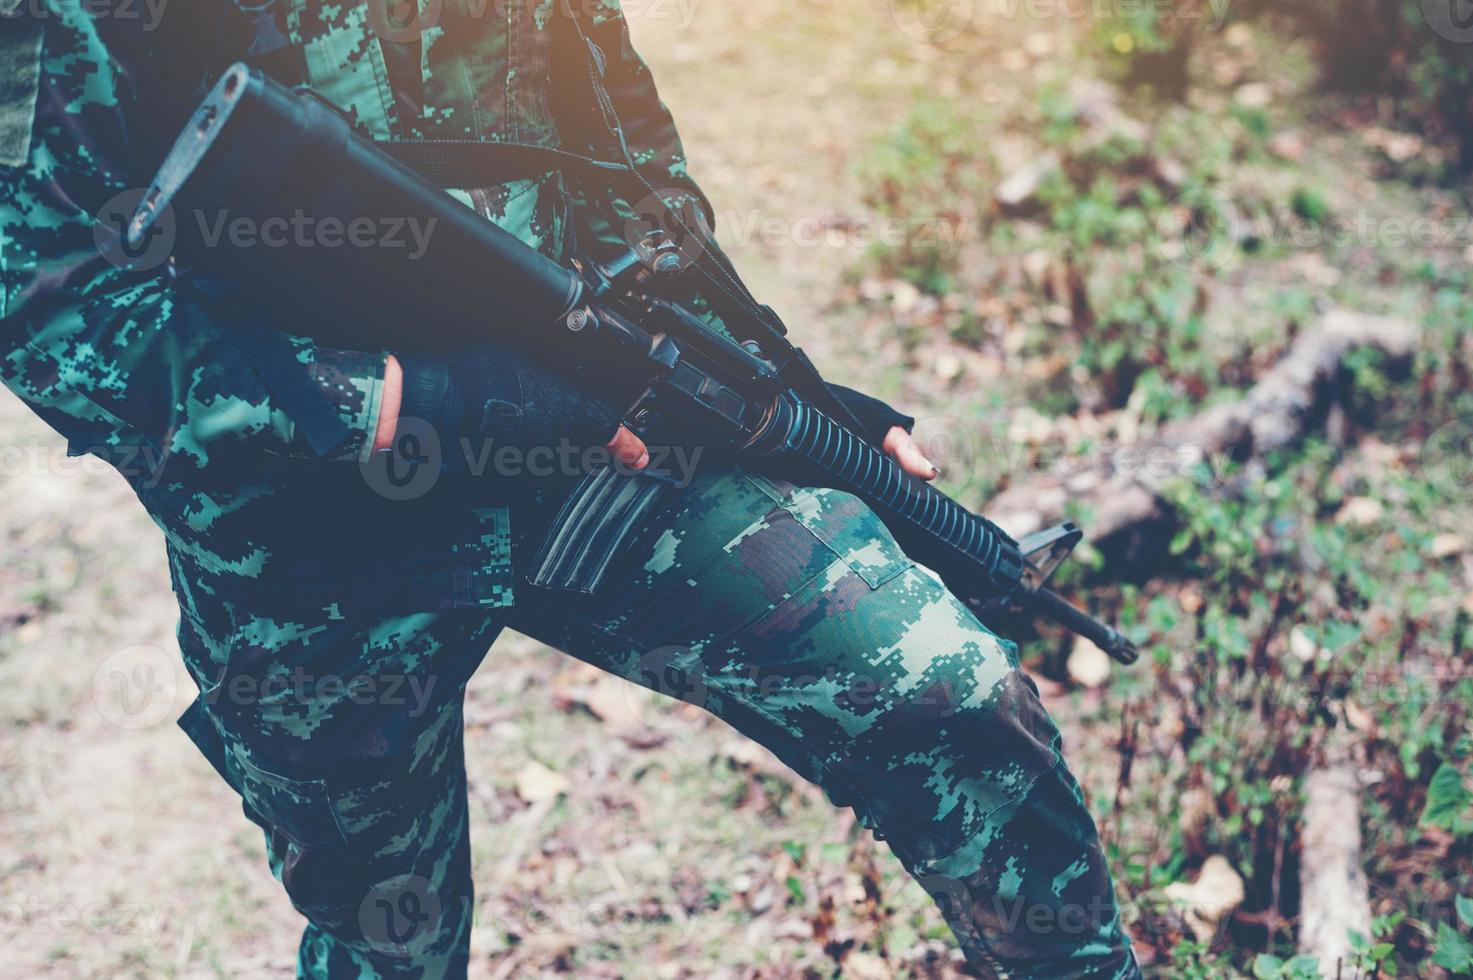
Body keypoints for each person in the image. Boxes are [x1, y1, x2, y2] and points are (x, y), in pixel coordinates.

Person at [0, 2, 1141, 976]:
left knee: (948, 695)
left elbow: (604, 112)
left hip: (596, 430)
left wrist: (764, 377)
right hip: (300, 532)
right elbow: (50, 301)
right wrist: (419, 403)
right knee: (387, 938)